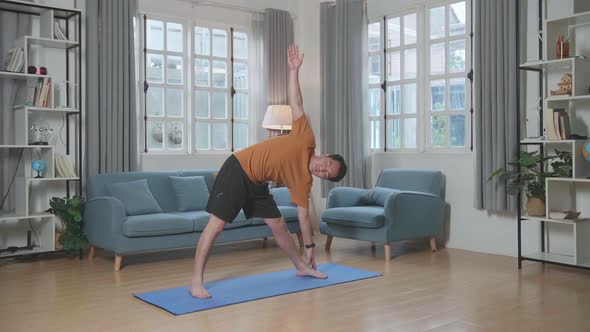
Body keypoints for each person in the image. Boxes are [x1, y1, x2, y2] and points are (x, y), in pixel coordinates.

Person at [190, 44, 348, 299]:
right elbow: (296, 101)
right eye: (327, 165)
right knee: (216, 226)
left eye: (327, 174)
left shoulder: (303, 182)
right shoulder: (306, 137)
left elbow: (304, 218)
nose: (323, 170)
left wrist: (310, 249)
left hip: (257, 183)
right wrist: (294, 70)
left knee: (278, 223)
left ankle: (300, 268)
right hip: (238, 168)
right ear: (326, 156)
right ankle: (196, 280)